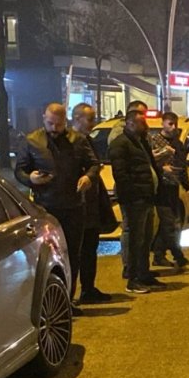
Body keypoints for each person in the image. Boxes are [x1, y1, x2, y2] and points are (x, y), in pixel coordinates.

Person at [15, 103, 100, 307]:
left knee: (71, 254)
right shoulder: (32, 141)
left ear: (65, 122)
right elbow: (19, 170)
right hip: (46, 207)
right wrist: (30, 178)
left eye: (59, 124)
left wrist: (88, 177)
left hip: (73, 206)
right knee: (48, 256)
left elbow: (94, 164)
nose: (54, 128)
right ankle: (51, 300)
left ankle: (68, 300)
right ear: (44, 119)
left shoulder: (77, 140)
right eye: (50, 123)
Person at [108, 109, 167, 294]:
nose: (147, 127)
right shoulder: (121, 144)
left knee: (145, 238)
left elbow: (149, 166)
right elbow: (121, 174)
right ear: (131, 123)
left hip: (146, 197)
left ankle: (144, 274)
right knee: (135, 239)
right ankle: (133, 279)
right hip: (135, 200)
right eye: (143, 123)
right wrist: (133, 196)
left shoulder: (140, 142)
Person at [70, 102, 113, 304]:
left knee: (89, 249)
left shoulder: (87, 140)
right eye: (90, 119)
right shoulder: (71, 142)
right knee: (78, 252)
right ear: (77, 118)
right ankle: (73, 295)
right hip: (79, 205)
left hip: (91, 204)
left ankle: (88, 289)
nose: (93, 123)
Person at [151, 111, 189, 270]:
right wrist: (162, 169)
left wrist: (187, 185)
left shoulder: (177, 143)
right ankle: (177, 254)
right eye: (170, 124)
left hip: (173, 187)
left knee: (170, 223)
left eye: (175, 124)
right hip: (161, 188)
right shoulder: (154, 141)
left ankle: (160, 255)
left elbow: (182, 165)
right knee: (169, 223)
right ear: (163, 123)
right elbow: (149, 162)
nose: (173, 127)